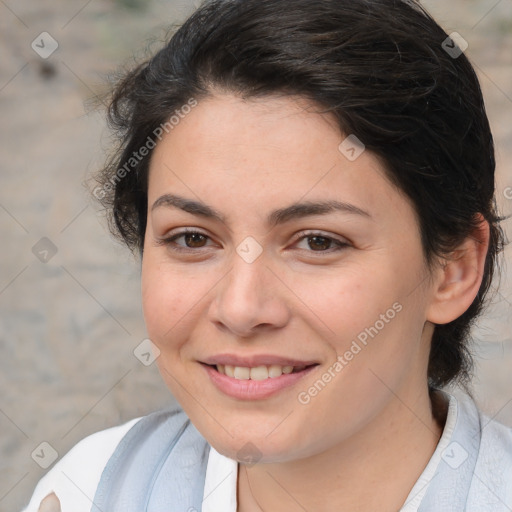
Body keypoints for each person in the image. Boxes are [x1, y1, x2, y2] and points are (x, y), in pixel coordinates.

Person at [22, 0, 512, 510]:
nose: (240, 309)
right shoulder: (87, 488)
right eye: (193, 238)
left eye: (317, 241)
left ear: (454, 271)